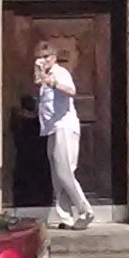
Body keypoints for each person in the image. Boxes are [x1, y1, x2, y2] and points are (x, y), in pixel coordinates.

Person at [34, 41, 94, 230]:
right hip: (51, 129)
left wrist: (53, 82)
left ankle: (85, 211)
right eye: (40, 57)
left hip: (64, 127)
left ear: (53, 57)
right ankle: (66, 217)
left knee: (64, 171)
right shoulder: (46, 76)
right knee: (57, 175)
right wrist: (40, 73)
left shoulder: (60, 73)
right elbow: (38, 82)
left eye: (46, 57)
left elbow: (71, 91)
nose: (43, 60)